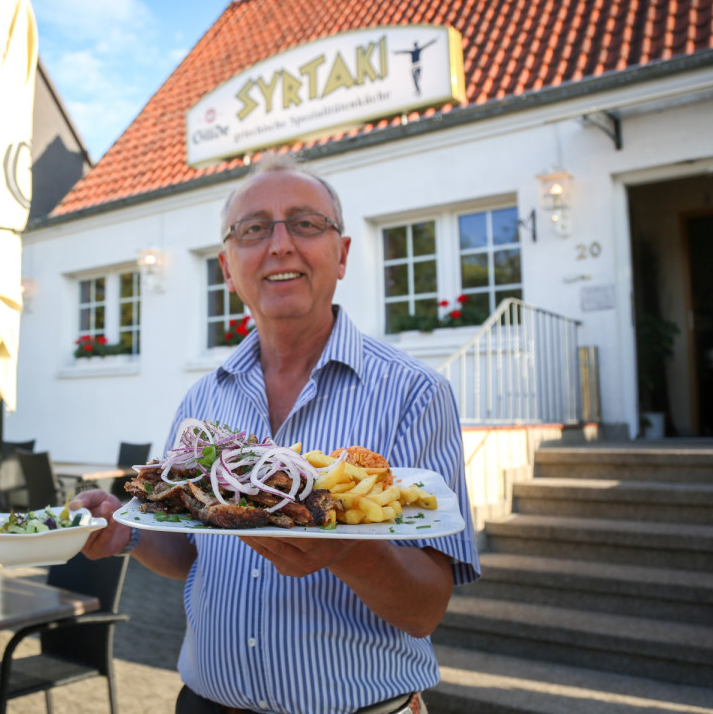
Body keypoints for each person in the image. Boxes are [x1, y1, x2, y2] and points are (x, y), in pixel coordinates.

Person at [72, 153, 480, 714]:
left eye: (306, 224)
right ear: (226, 265)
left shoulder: (415, 393)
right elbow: (193, 549)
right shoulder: (203, 401)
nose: (280, 244)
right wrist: (130, 533)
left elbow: (424, 608)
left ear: (341, 254)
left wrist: (339, 550)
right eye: (253, 229)